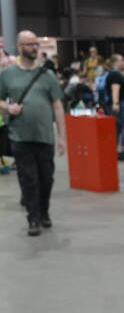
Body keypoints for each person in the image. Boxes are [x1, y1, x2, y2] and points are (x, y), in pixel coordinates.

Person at [0, 30, 66, 235]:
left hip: (45, 136)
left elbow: (57, 106)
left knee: (47, 179)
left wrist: (62, 137)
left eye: (36, 44)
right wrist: (8, 107)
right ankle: (33, 218)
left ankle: (44, 211)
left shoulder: (47, 74)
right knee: (28, 179)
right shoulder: (7, 74)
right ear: (20, 47)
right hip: (19, 136)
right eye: (30, 44)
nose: (35, 48)